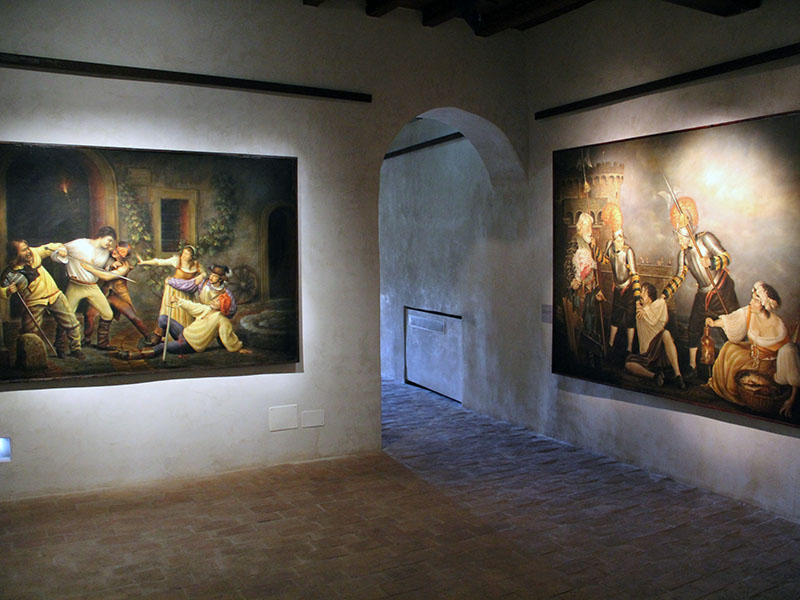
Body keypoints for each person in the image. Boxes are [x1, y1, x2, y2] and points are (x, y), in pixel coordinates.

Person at [661, 197, 739, 379]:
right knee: (694, 327)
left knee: (730, 329)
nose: (679, 240)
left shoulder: (705, 239)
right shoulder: (683, 254)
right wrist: (665, 294)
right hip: (703, 294)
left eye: (680, 236)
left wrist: (711, 262)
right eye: (677, 236)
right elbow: (679, 277)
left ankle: (735, 366)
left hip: (721, 289)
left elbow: (726, 257)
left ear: (689, 230)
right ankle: (692, 366)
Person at [706, 282, 799, 417]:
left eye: (755, 300)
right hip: (751, 353)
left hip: (767, 366)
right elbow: (732, 319)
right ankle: (715, 386)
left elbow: (790, 361)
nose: (750, 302)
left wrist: (791, 399)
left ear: (764, 305)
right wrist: (714, 323)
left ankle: (734, 396)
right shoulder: (750, 312)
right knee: (728, 348)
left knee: (735, 363)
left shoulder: (778, 327)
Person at [0, 240, 84, 359]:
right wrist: (8, 290)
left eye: (27, 248)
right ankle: (30, 354)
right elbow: (2, 291)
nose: (28, 251)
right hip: (34, 301)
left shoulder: (34, 253)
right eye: (23, 250)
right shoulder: (10, 273)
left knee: (71, 322)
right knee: (30, 331)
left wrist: (61, 248)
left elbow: (50, 247)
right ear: (15, 254)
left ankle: (75, 348)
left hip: (54, 294)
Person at [114, 294, 251, 359]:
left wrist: (237, 348)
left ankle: (134, 355)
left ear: (222, 307)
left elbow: (227, 336)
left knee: (163, 347)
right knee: (164, 319)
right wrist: (178, 300)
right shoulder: (206, 309)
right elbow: (192, 306)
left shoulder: (222, 321)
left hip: (191, 345)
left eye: (217, 301)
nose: (213, 301)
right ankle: (155, 339)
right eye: (215, 299)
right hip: (183, 334)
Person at [61, 226, 121, 351]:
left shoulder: (105, 252)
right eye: (109, 240)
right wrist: (61, 252)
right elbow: (58, 250)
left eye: (111, 242)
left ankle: (103, 344)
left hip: (92, 287)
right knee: (66, 316)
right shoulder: (80, 244)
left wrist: (112, 263)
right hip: (76, 285)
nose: (109, 244)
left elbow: (105, 264)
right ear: (101, 236)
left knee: (108, 314)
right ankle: (61, 346)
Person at [84, 242, 149, 345]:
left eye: (121, 252)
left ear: (125, 256)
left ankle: (148, 337)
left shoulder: (125, 266)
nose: (117, 252)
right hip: (105, 293)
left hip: (118, 296)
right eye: (117, 249)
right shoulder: (108, 258)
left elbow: (107, 277)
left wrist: (90, 269)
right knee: (90, 314)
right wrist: (110, 265)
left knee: (132, 316)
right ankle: (92, 340)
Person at [137, 245, 205, 343]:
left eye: (187, 254)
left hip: (186, 293)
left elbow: (204, 273)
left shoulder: (196, 265)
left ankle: (184, 337)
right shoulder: (177, 261)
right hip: (174, 291)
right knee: (168, 312)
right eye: (183, 253)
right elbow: (159, 262)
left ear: (192, 256)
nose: (184, 256)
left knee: (186, 313)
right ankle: (160, 335)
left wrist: (201, 276)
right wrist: (144, 262)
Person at [562, 212, 605, 362]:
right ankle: (581, 359)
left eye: (591, 226)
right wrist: (571, 280)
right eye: (588, 226)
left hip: (590, 292)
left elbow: (592, 271)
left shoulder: (588, 243)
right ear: (582, 225)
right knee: (579, 324)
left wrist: (597, 290)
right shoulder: (575, 241)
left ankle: (590, 357)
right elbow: (567, 263)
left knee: (590, 323)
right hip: (579, 292)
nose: (591, 230)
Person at [625, 282, 684, 389]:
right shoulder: (639, 309)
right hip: (646, 355)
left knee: (666, 334)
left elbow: (656, 310)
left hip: (659, 351)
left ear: (650, 297)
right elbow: (639, 308)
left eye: (643, 292)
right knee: (628, 364)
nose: (640, 294)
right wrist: (639, 306)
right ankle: (654, 376)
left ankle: (678, 375)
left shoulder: (658, 305)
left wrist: (644, 310)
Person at [601, 228, 640, 354]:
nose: (620, 242)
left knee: (630, 319)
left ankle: (629, 348)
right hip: (617, 289)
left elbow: (634, 274)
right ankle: (610, 344)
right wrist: (594, 247)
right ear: (613, 240)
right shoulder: (610, 248)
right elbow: (603, 260)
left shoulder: (628, 251)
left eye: (622, 238)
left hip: (628, 289)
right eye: (617, 239)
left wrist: (637, 297)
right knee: (615, 317)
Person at [164, 264, 237, 315]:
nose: (211, 277)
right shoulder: (203, 283)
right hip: (198, 313)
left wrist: (218, 311)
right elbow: (187, 284)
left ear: (220, 279)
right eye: (211, 275)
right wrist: (171, 281)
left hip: (213, 317)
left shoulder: (225, 292)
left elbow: (232, 309)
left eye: (215, 276)